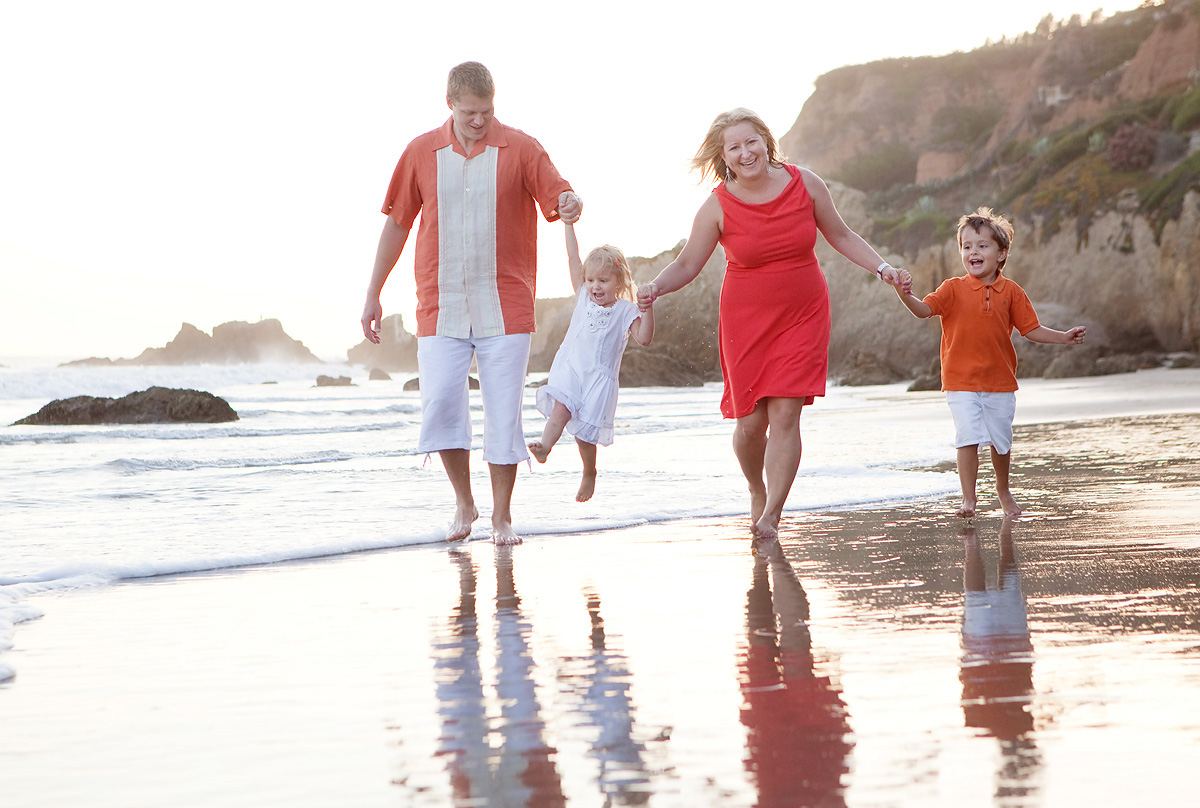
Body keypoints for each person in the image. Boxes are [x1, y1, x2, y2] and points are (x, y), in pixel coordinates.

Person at [636, 108, 909, 540]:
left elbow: (840, 235)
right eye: (735, 147)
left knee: (786, 414)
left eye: (752, 141)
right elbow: (688, 263)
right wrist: (654, 287)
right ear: (723, 157)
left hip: (804, 313)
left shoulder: (807, 184)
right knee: (749, 425)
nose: (746, 153)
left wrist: (882, 268)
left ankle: (772, 515)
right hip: (745, 320)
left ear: (766, 141)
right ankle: (755, 487)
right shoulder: (717, 205)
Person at [360, 61, 582, 545]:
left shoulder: (522, 147)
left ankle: (503, 516)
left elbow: (559, 193)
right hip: (439, 305)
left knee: (504, 413)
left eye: (486, 112)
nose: (479, 121)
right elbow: (397, 224)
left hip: (507, 305)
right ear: (450, 105)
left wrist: (570, 201)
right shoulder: (421, 152)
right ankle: (465, 501)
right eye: (469, 113)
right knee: (440, 403)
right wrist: (374, 292)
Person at [893, 207, 1086, 518]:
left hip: (999, 380)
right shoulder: (952, 289)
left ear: (1001, 253)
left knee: (1001, 440)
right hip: (960, 380)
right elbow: (923, 310)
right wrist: (904, 294)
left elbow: (1030, 329)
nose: (973, 252)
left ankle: (1003, 490)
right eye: (967, 246)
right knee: (967, 436)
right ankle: (968, 499)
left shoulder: (1012, 291)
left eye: (982, 245)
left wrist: (1063, 338)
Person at [528, 223, 654, 502]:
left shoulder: (625, 310)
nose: (595, 286)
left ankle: (589, 471)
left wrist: (648, 310)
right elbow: (573, 257)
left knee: (585, 433)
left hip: (598, 379)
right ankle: (545, 447)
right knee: (561, 407)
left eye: (603, 281)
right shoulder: (584, 297)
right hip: (572, 369)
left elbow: (644, 339)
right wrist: (568, 224)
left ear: (618, 283)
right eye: (591, 280)